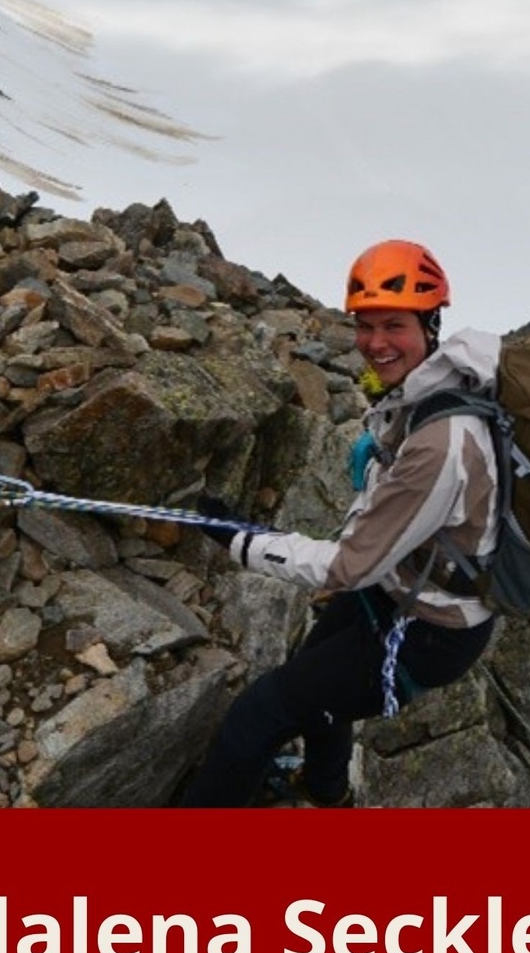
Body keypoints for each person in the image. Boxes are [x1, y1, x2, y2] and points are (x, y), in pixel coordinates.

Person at [180, 239, 501, 807]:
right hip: (405, 585)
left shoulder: (440, 444)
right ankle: (327, 794)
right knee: (314, 681)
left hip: (429, 630)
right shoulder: (440, 388)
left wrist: (243, 541)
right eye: (365, 326)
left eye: (394, 325)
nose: (375, 343)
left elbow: (349, 567)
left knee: (258, 715)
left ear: (430, 325)